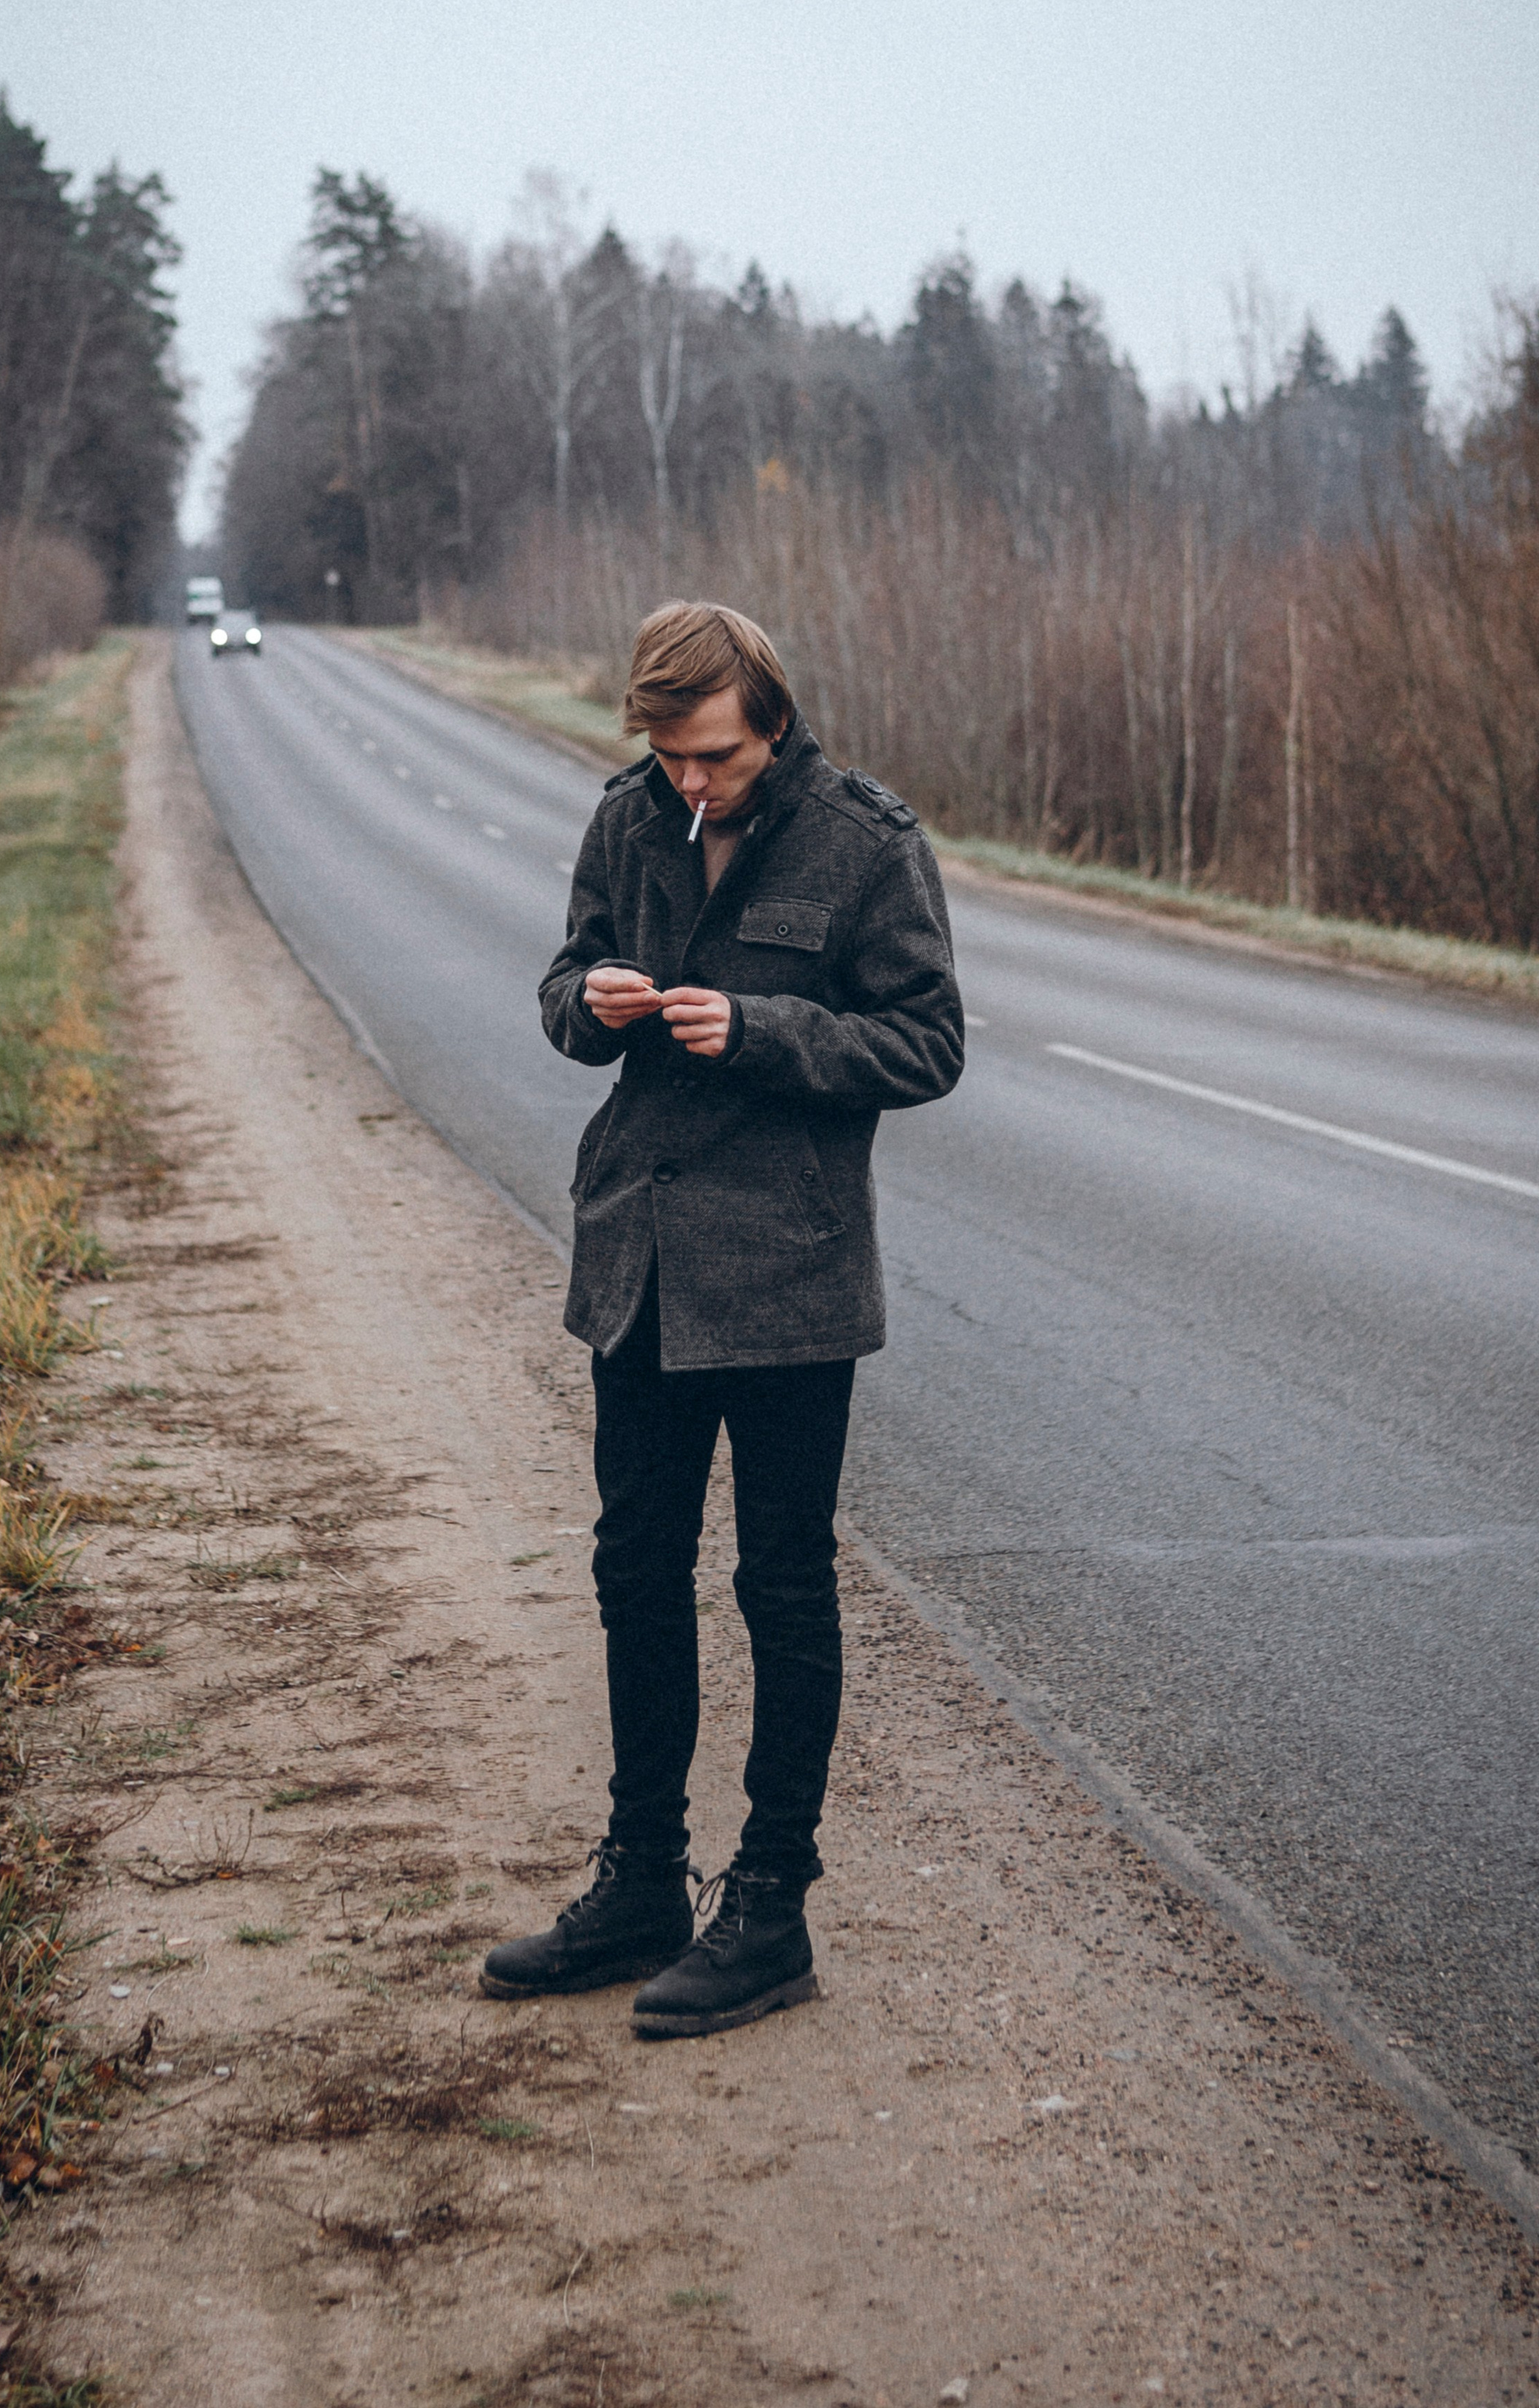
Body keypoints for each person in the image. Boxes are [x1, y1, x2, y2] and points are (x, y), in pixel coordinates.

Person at [479, 601, 964, 2037]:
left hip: (789, 1279)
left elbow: (926, 1046)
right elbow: (562, 992)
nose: (691, 785)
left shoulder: (868, 845)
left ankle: (767, 1911)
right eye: (670, 757)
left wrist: (763, 1033)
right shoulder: (627, 820)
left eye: (714, 760)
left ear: (772, 723)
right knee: (633, 1568)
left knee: (781, 1587)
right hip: (636, 1258)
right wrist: (599, 1003)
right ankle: (640, 1885)